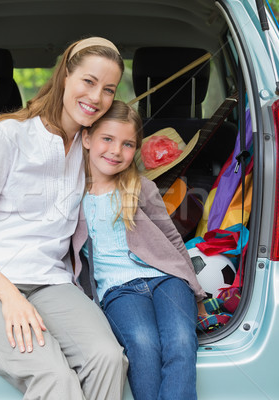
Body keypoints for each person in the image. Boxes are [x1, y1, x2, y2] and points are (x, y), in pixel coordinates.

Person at [0, 37, 128, 400]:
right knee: (54, 377)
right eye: (88, 82)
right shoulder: (7, 137)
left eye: (108, 90)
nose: (96, 97)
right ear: (64, 77)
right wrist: (10, 297)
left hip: (48, 281)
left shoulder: (90, 147)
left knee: (109, 359)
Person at [71, 100, 208, 400]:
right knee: (143, 344)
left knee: (182, 341)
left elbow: (173, 240)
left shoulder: (140, 187)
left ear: (136, 149)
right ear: (86, 138)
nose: (115, 151)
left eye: (127, 144)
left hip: (167, 280)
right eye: (107, 139)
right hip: (119, 291)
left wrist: (196, 291)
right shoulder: (73, 194)